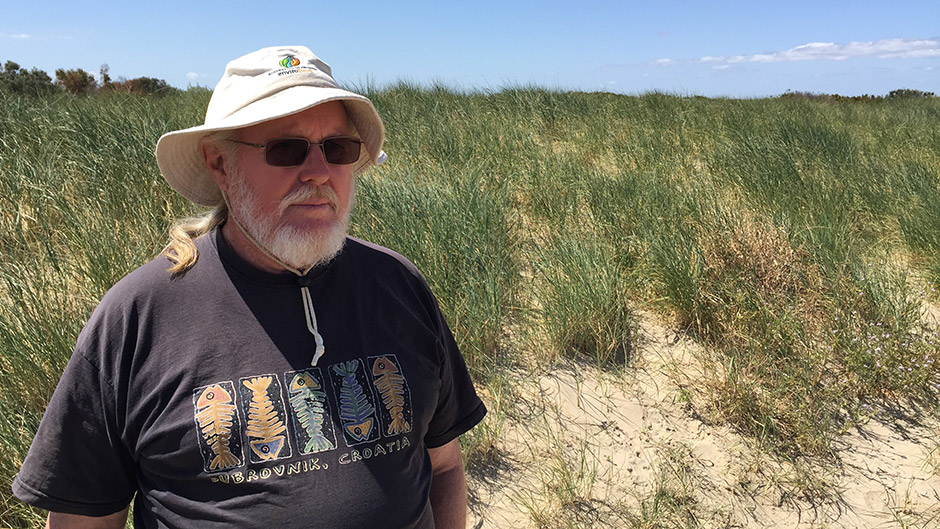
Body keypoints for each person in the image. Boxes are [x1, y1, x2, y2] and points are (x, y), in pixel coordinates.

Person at [12, 45, 486, 529]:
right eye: (287, 149)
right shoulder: (138, 317)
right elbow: (84, 518)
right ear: (219, 162)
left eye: (338, 149)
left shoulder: (397, 284)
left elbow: (443, 463)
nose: (320, 173)